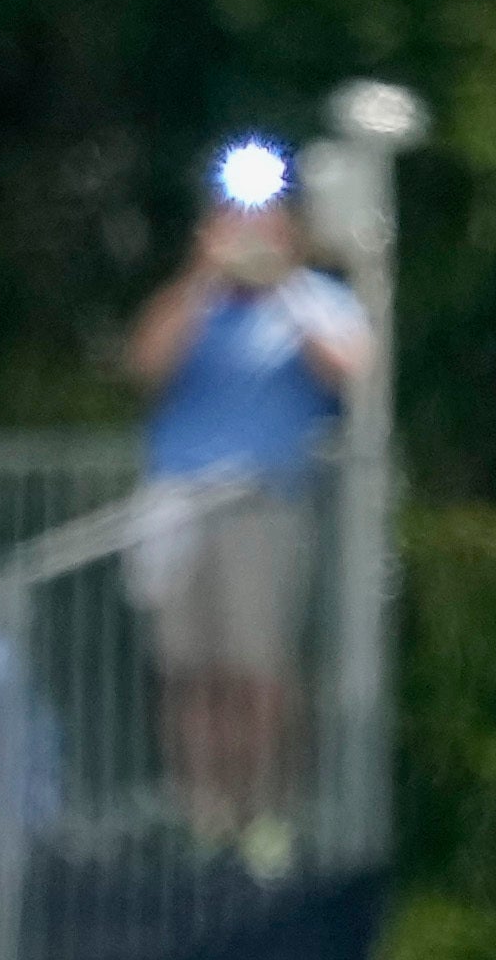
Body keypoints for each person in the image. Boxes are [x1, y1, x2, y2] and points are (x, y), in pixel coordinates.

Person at [129, 149, 371, 832]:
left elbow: (348, 372)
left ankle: (262, 812)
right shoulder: (192, 303)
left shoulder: (318, 301)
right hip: (179, 506)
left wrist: (284, 281)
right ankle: (202, 815)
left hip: (262, 505)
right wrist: (203, 275)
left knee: (257, 672)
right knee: (189, 674)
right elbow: (146, 363)